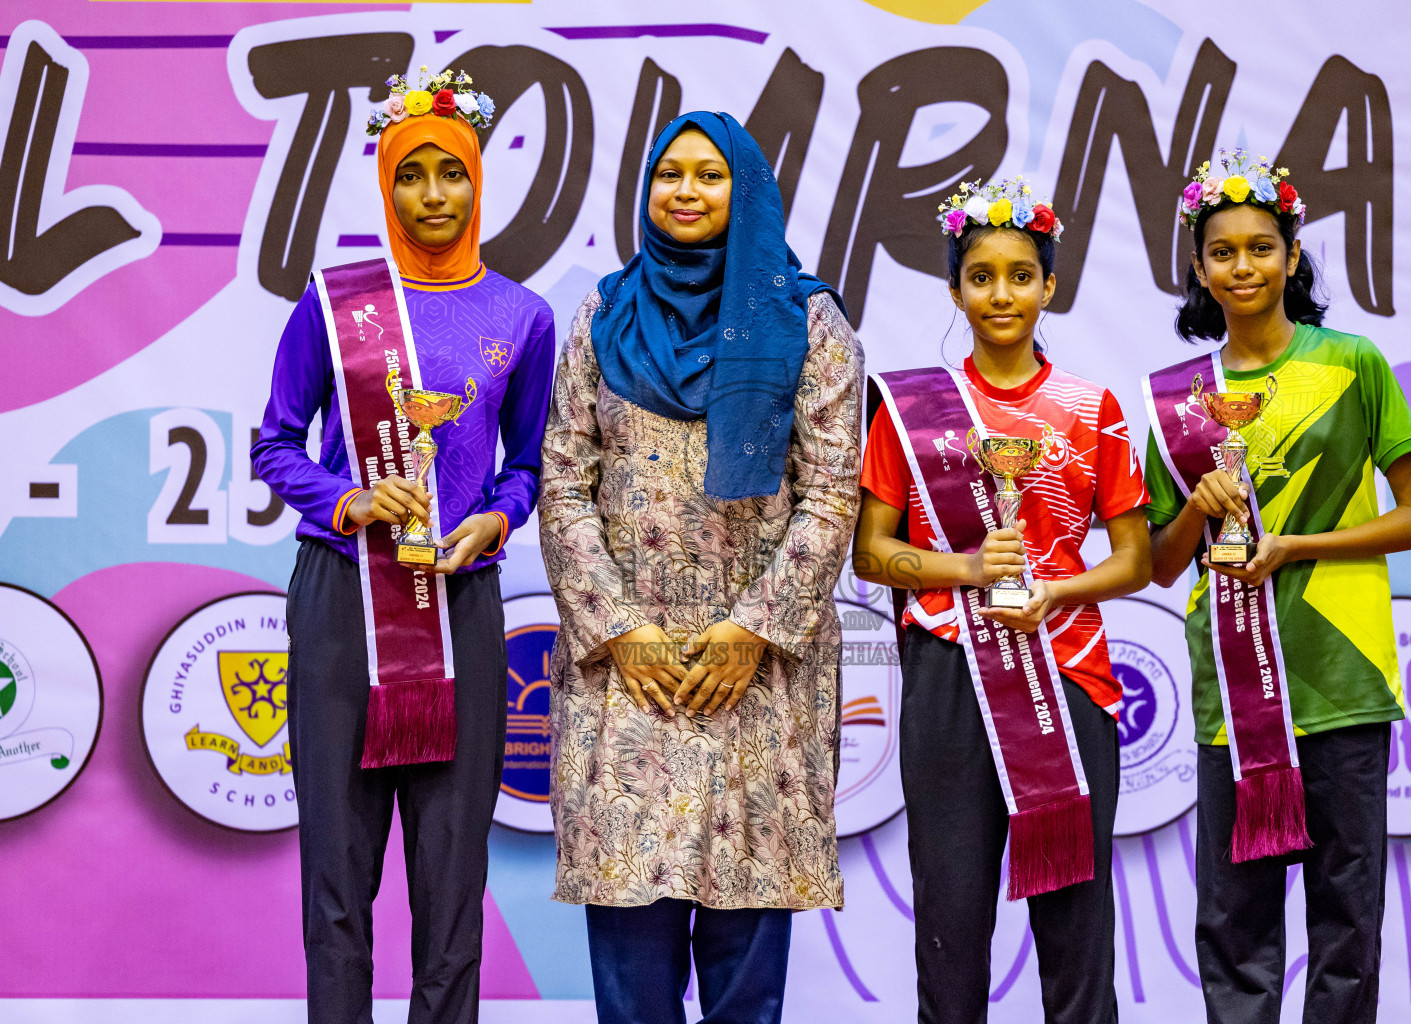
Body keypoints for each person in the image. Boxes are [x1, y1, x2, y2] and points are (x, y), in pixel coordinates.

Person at [538, 111, 863, 1024]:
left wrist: (754, 629)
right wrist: (619, 630)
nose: (685, 191)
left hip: (757, 687)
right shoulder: (603, 315)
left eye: (709, 176)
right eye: (668, 174)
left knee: (745, 980)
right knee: (632, 982)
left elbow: (833, 491)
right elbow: (562, 482)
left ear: (746, 191)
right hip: (626, 685)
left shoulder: (808, 322)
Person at [253, 68, 555, 1024]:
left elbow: (531, 464)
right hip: (342, 603)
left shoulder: (522, 315)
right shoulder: (335, 304)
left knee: (451, 878)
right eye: (412, 174)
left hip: (462, 604)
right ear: (387, 184)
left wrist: (498, 518)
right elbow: (272, 444)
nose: (434, 195)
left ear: (478, 181)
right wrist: (346, 499)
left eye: (452, 174)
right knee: (337, 880)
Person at [1143, 150, 1411, 1024]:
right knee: (1233, 925)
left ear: (1294, 256)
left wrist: (1295, 546)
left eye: (1262, 248)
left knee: (1348, 922)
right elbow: (1162, 565)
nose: (1245, 267)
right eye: (1224, 252)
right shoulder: (1180, 398)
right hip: (1229, 699)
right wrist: (1197, 508)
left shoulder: (1353, 362)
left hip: (1342, 678)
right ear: (1199, 267)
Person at [853, 178, 1152, 1024]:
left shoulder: (1092, 411)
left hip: (1069, 675)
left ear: (1050, 285)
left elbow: (1133, 562)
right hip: (950, 675)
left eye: (1021, 275)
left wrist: (1054, 589)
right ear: (955, 290)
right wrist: (971, 571)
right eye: (980, 276)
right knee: (950, 913)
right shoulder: (910, 410)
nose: (1001, 294)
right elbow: (872, 554)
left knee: (1076, 921)